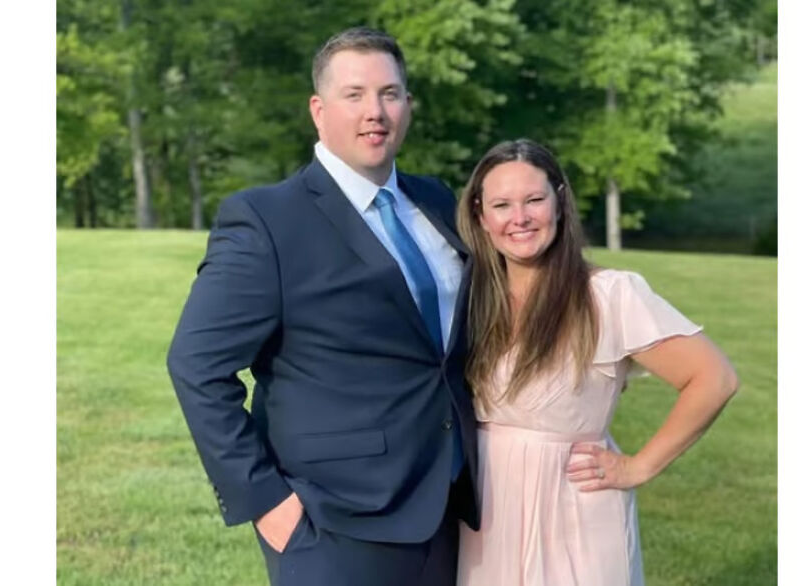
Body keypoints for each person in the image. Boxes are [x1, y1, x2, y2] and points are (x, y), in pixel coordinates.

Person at [166, 27, 479, 586]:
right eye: (353, 94)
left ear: (408, 105)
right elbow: (196, 364)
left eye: (389, 93)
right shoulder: (267, 220)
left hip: (452, 508)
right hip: (334, 524)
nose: (374, 112)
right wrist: (266, 500)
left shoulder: (435, 201)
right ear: (319, 109)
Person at [454, 139, 739, 586]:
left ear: (560, 202)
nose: (520, 218)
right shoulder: (472, 300)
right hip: (487, 516)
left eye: (534, 200)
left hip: (574, 511)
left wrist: (639, 466)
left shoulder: (607, 296)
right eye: (502, 205)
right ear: (480, 216)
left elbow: (714, 377)